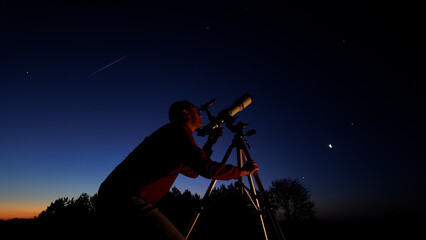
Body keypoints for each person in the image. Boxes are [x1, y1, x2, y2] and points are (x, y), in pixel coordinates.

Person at [96, 100, 259, 239]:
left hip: (117, 197)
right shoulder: (178, 132)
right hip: (126, 198)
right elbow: (208, 169)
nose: (201, 115)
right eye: (196, 111)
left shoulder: (174, 135)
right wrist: (243, 171)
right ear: (186, 113)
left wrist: (210, 143)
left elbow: (194, 171)